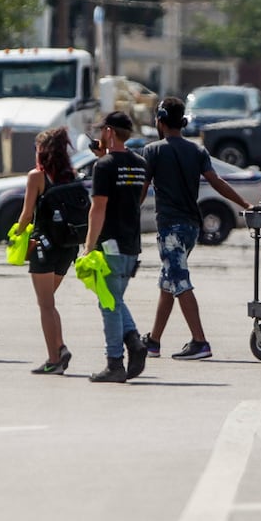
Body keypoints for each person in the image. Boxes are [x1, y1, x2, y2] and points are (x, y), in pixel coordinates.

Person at [137, 96, 251, 363]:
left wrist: (127, 216)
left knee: (179, 281)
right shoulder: (196, 151)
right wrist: (244, 203)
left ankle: (200, 342)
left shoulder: (152, 151)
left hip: (171, 228)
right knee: (169, 281)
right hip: (191, 227)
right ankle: (153, 341)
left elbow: (142, 189)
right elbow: (217, 181)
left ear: (160, 121)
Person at [82, 111, 150, 383]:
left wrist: (88, 246)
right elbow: (131, 196)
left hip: (109, 245)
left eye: (102, 130)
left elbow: (98, 208)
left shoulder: (104, 166)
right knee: (115, 299)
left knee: (108, 305)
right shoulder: (139, 163)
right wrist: (105, 157)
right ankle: (134, 342)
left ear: (109, 132)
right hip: (131, 244)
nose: (99, 135)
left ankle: (114, 363)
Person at [15, 127, 82, 375]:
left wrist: (16, 236)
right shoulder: (71, 176)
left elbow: (25, 215)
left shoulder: (37, 176)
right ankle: (60, 347)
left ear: (42, 152)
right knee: (48, 302)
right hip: (67, 248)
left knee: (45, 305)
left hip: (44, 247)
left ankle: (54, 359)